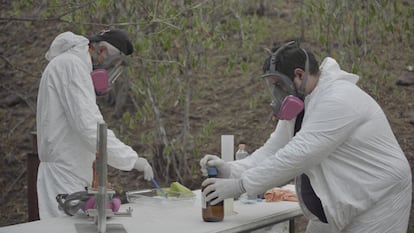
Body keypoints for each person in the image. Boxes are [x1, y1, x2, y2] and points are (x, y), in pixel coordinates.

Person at [200, 41, 412, 233]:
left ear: (299, 75)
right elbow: (273, 149)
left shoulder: (338, 98)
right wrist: (232, 170)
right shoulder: (301, 101)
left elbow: (298, 155)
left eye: (279, 85)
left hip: (381, 198)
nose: (276, 93)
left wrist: (240, 186)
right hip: (337, 200)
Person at [36, 30, 154, 219]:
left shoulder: (73, 65)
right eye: (113, 64)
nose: (109, 71)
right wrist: (130, 159)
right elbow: (90, 126)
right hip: (64, 174)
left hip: (72, 169)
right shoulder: (71, 66)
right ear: (103, 51)